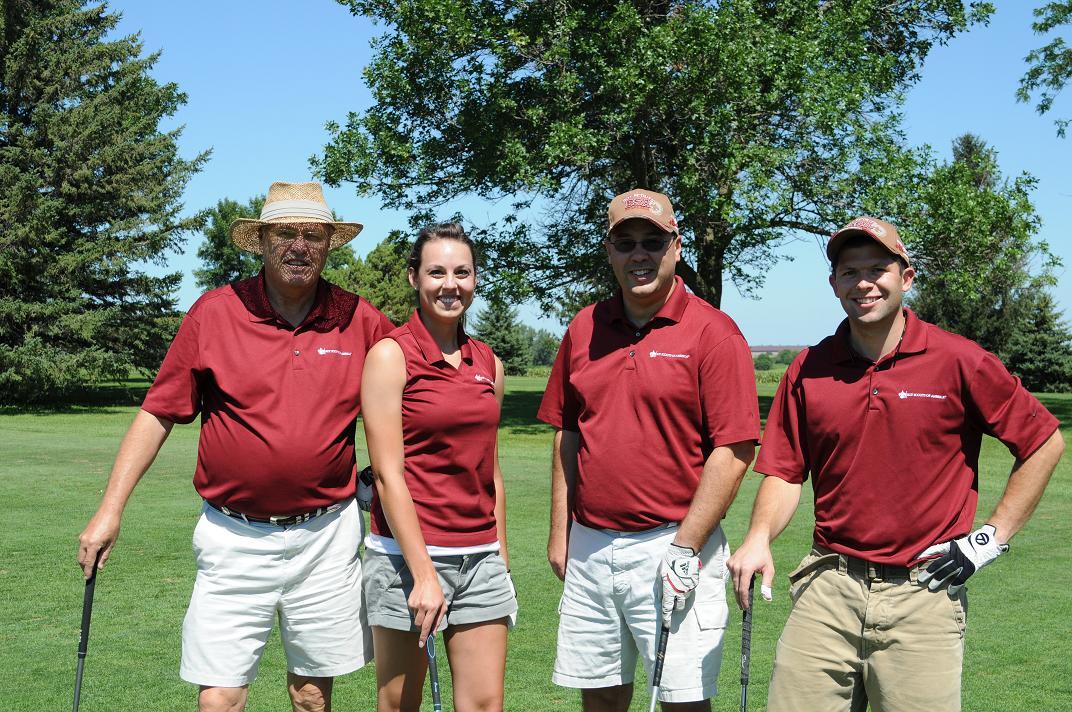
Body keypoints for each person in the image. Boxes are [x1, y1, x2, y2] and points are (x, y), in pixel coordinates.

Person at [76, 181, 394, 712]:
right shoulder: (215, 312)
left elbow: (412, 396)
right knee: (220, 696)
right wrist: (110, 511)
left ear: (329, 243)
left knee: (312, 693)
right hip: (232, 535)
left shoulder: (359, 319)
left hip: (326, 536)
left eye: (313, 234)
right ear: (262, 241)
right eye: (285, 233)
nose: (299, 245)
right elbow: (159, 411)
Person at [727, 216, 1065, 712]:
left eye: (878, 269)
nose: (864, 282)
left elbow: (1042, 441)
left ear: (905, 278)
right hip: (829, 585)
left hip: (924, 593)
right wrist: (758, 538)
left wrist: (991, 538)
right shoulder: (809, 367)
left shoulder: (958, 360)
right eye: (849, 272)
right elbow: (784, 469)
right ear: (834, 284)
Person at [537, 189, 760, 711]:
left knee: (682, 700)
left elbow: (735, 448)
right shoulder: (584, 326)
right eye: (626, 242)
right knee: (601, 700)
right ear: (610, 251)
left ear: (676, 247)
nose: (639, 254)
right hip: (591, 546)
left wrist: (686, 546)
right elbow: (568, 431)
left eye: (652, 242)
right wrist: (559, 530)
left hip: (675, 546)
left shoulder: (714, 333)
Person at [360, 222, 516, 712]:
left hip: (480, 557)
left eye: (462, 272)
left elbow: (489, 468)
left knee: (485, 704)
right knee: (399, 704)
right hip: (404, 560)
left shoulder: (488, 361)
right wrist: (423, 573)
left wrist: (501, 555)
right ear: (414, 278)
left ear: (475, 279)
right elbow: (387, 476)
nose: (450, 284)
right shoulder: (390, 355)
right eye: (436, 272)